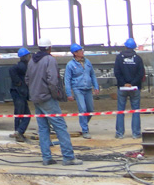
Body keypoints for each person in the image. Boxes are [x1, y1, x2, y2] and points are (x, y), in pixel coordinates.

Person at [25, 38, 82, 166]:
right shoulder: (49, 60)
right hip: (47, 98)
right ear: (49, 48)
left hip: (36, 98)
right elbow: (52, 80)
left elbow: (27, 79)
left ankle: (47, 158)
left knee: (43, 128)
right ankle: (68, 157)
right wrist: (55, 94)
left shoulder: (31, 61)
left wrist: (35, 91)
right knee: (60, 127)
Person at [64, 43, 100, 139]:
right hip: (78, 89)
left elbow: (92, 74)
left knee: (90, 110)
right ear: (75, 53)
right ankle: (85, 130)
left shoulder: (87, 62)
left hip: (88, 89)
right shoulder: (70, 65)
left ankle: (83, 123)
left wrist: (96, 86)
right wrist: (69, 93)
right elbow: (67, 80)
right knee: (83, 109)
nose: (82, 52)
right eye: (80, 51)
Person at [114, 37, 145, 139]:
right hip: (135, 88)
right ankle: (136, 133)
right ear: (134, 47)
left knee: (120, 110)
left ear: (125, 46)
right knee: (135, 110)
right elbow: (140, 73)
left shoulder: (119, 58)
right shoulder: (138, 59)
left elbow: (117, 73)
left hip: (122, 88)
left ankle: (119, 133)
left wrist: (124, 83)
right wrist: (132, 83)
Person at [8, 48, 31, 142]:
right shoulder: (22, 66)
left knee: (22, 114)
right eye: (29, 56)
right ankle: (18, 132)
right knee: (23, 114)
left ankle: (18, 132)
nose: (30, 57)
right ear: (26, 57)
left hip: (20, 93)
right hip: (19, 93)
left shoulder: (23, 66)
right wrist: (18, 83)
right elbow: (11, 69)